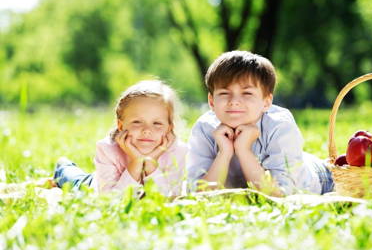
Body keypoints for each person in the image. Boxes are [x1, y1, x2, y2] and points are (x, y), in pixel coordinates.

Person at [187, 51, 334, 197]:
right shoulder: (204, 129)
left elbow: (279, 195)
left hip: (317, 178)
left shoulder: (279, 125)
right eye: (225, 93)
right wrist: (224, 153)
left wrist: (243, 150)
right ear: (211, 101)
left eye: (247, 93)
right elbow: (199, 194)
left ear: (266, 102)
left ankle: (327, 165)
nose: (234, 101)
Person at [53, 80, 188, 197]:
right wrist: (136, 162)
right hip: (94, 185)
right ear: (120, 124)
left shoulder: (178, 151)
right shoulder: (107, 149)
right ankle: (63, 167)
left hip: (107, 178)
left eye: (157, 123)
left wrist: (150, 162)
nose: (147, 130)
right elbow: (112, 201)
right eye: (137, 122)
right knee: (76, 181)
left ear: (170, 127)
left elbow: (167, 198)